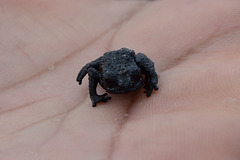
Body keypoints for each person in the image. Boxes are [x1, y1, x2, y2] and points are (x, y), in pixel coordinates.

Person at [1, 0, 240, 159]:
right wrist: (92, 89)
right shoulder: (103, 72)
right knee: (92, 67)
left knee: (141, 60)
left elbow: (143, 61)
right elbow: (93, 70)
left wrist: (150, 78)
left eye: (134, 78)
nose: (124, 88)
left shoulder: (134, 66)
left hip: (126, 57)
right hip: (110, 64)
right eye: (116, 85)